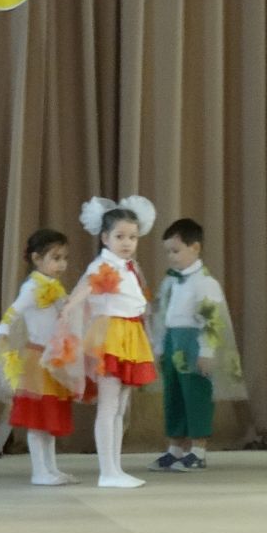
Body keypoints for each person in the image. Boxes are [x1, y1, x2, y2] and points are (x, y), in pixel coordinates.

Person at [46, 194, 159, 488]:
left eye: (132, 237)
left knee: (120, 407)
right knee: (109, 406)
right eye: (120, 236)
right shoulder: (104, 265)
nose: (127, 242)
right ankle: (107, 472)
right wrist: (69, 307)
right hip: (110, 336)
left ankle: (115, 468)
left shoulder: (128, 266)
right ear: (105, 238)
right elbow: (86, 286)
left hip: (130, 334)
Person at [0, 228, 79, 485]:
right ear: (36, 258)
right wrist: (1, 334)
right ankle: (39, 471)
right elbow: (13, 312)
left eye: (65, 258)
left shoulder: (55, 288)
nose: (62, 264)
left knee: (49, 419)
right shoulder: (32, 287)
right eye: (56, 258)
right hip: (37, 362)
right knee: (37, 421)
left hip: (52, 359)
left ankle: (52, 469)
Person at [148, 217, 246, 473]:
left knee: (196, 395)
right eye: (168, 252)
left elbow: (212, 319)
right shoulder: (170, 281)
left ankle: (198, 450)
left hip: (193, 344)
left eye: (176, 251)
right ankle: (175, 449)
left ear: (195, 248)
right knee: (173, 395)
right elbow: (161, 315)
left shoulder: (205, 283)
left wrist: (206, 350)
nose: (171, 257)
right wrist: (159, 347)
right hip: (173, 341)